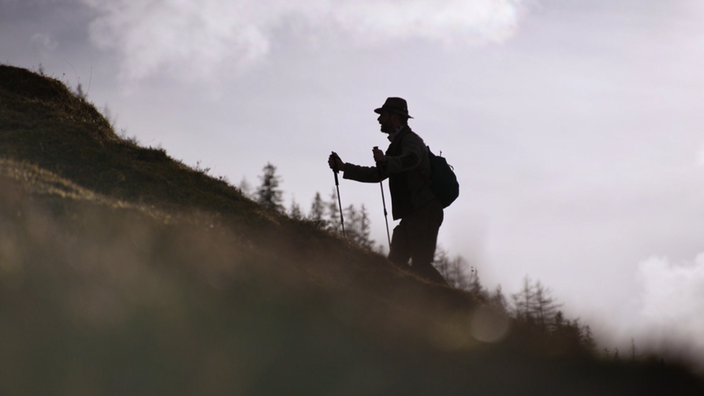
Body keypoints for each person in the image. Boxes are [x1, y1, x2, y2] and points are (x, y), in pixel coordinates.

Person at [328, 97, 447, 286]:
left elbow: (412, 159)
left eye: (382, 115)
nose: (379, 119)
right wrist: (344, 167)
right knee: (395, 264)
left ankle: (453, 304)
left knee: (421, 265)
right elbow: (378, 174)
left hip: (425, 212)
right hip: (414, 215)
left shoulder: (410, 140)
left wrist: (386, 161)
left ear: (395, 117)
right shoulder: (397, 144)